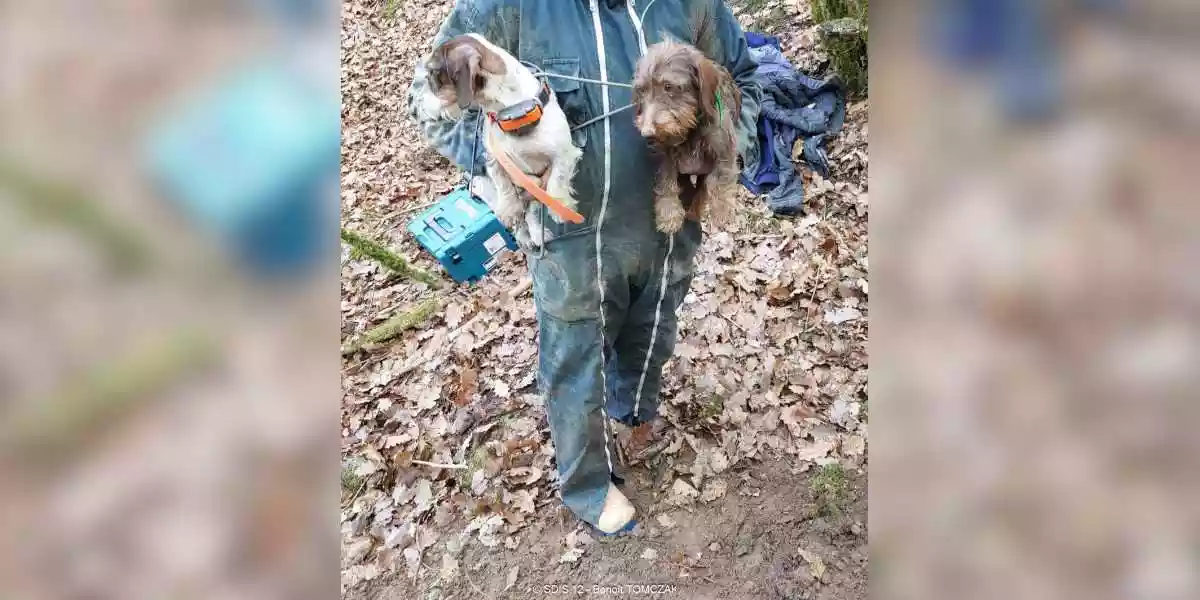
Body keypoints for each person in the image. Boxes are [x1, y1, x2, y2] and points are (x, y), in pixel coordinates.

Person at [407, 0, 761, 534]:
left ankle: (632, 415)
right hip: (570, 234)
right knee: (574, 355)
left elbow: (744, 79)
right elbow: (427, 100)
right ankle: (589, 485)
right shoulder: (508, 8)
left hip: (669, 215)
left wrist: (727, 143)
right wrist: (501, 156)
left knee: (651, 327)